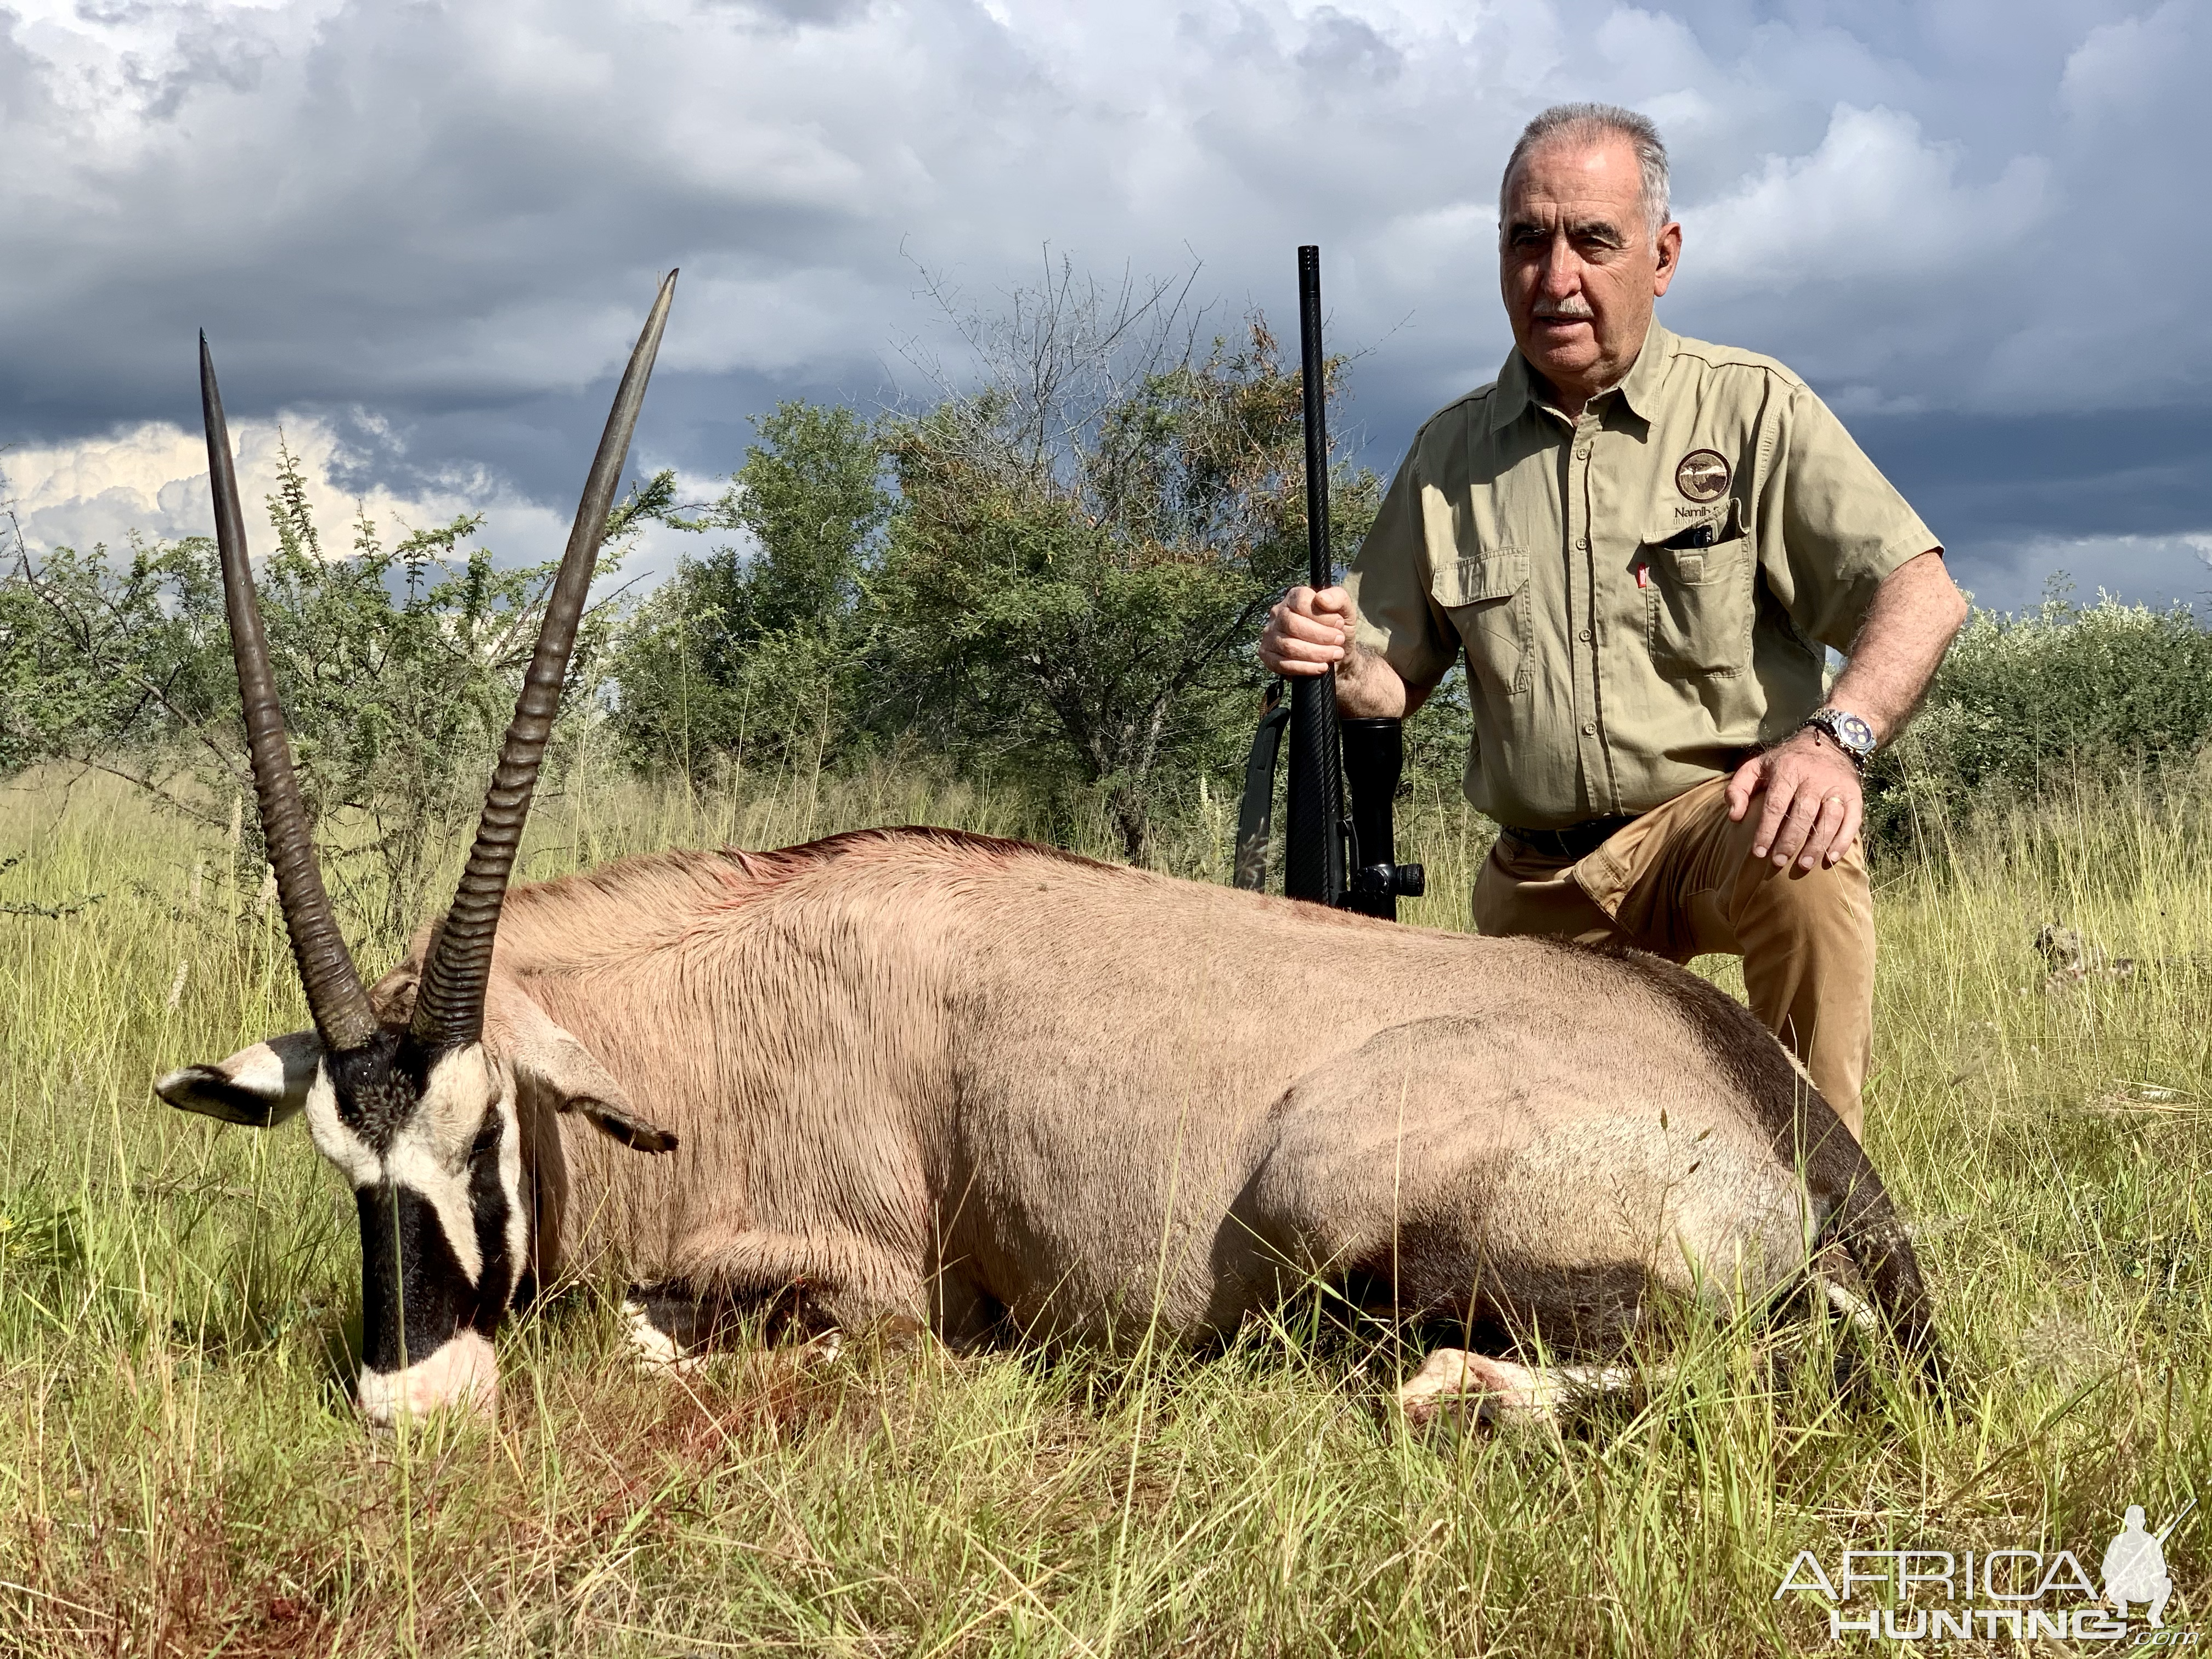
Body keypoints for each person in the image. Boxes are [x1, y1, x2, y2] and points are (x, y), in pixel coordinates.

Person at [1260, 103, 1968, 1139]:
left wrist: (1835, 740)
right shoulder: (1447, 455)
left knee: (1805, 854)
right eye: (1525, 240)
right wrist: (1324, 654)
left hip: (1715, 823)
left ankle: (1823, 1218)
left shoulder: (1751, 408)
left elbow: (1920, 590)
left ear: (1662, 254)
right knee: (1518, 1161)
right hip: (1540, 874)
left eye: (1592, 240)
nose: (1555, 278)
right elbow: (1387, 680)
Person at [2102, 1506, 2174, 1628]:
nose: (2135, 1524)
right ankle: (2120, 1612)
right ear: (2127, 1522)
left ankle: (2154, 1615)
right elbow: (2106, 1570)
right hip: (2122, 1589)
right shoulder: (2118, 1541)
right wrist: (2120, 1575)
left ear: (2144, 1522)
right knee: (2110, 1584)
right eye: (2132, 1520)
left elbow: (2162, 1569)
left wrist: (2150, 1575)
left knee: (2167, 1583)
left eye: (2139, 1520)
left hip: (2144, 1588)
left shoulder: (2151, 1542)